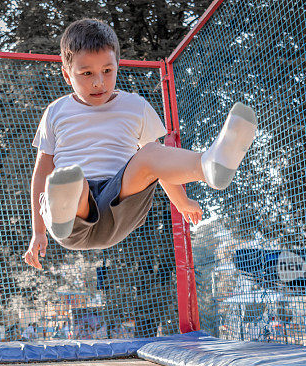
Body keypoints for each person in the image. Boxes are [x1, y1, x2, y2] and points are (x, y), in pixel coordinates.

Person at [24, 18, 257, 268]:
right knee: (72, 180)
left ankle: (209, 165)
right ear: (67, 75)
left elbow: (159, 164)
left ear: (117, 66)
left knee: (150, 152)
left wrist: (180, 201)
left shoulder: (135, 106)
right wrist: (39, 231)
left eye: (107, 70)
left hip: (120, 204)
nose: (99, 82)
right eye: (86, 73)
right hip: (74, 215)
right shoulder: (56, 111)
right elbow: (42, 171)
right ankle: (62, 213)